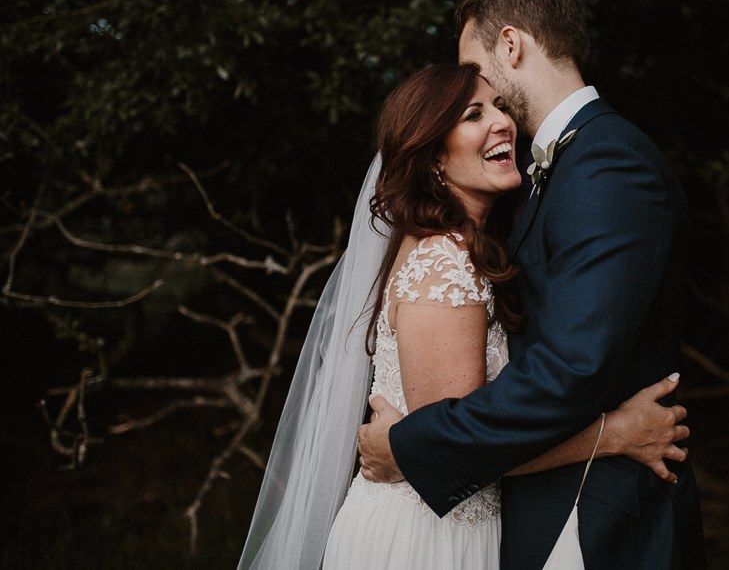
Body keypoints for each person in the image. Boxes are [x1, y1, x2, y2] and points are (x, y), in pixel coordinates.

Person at [239, 62, 691, 568]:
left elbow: (452, 442)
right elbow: (456, 447)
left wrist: (402, 449)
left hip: (451, 526)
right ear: (433, 158)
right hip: (424, 538)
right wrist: (615, 434)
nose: (502, 122)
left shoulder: (468, 250)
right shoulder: (446, 262)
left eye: (500, 106)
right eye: (473, 115)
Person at [357, 0, 706, 568]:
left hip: (596, 518)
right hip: (512, 515)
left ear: (511, 45)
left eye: (478, 70)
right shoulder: (541, 179)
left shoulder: (608, 166)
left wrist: (410, 449)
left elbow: (569, 368)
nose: (479, 94)